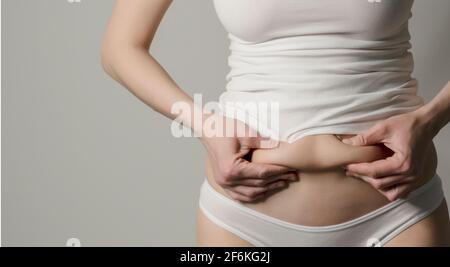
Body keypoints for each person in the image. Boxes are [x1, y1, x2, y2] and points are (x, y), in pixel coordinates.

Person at [101, 0, 450, 246]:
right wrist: (205, 126)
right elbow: (119, 48)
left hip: (398, 217)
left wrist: (431, 119)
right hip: (242, 224)